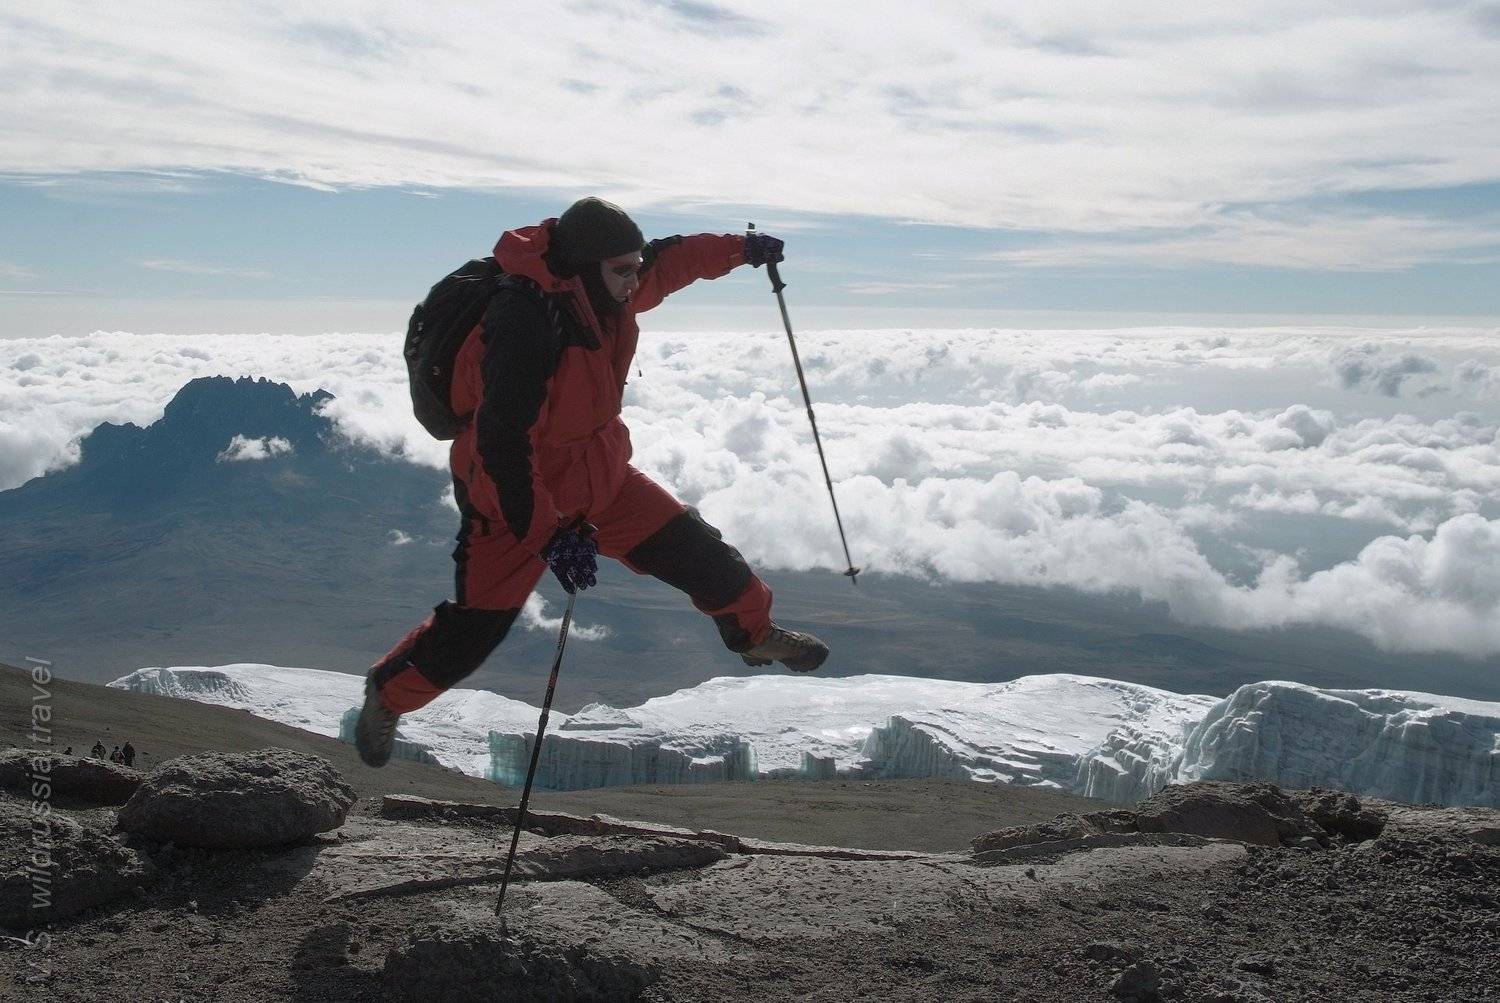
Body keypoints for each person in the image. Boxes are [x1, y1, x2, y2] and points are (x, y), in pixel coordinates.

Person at [355, 198, 829, 768]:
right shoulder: (525, 325)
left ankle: (755, 636)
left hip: (602, 478)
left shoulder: (605, 286)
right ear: (585, 268)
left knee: (709, 560)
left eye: (633, 267)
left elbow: (671, 261)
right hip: (511, 502)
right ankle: (387, 696)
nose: (636, 280)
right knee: (472, 632)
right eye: (624, 269)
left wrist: (741, 250)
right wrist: (550, 536)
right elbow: (502, 449)